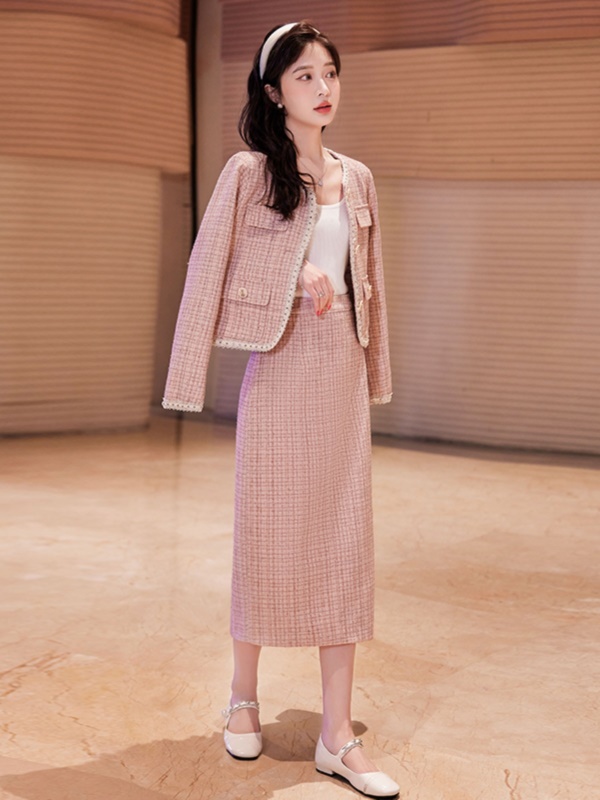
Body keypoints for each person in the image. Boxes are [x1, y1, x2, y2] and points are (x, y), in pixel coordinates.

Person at [163, 20, 398, 798]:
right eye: (304, 76)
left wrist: (377, 373)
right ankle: (243, 696)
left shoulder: (358, 178)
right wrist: (292, 277)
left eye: (330, 73)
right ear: (273, 91)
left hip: (339, 376)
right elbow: (209, 269)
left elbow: (372, 285)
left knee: (344, 542)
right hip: (281, 365)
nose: (323, 88)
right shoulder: (248, 173)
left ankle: (337, 734)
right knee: (265, 533)